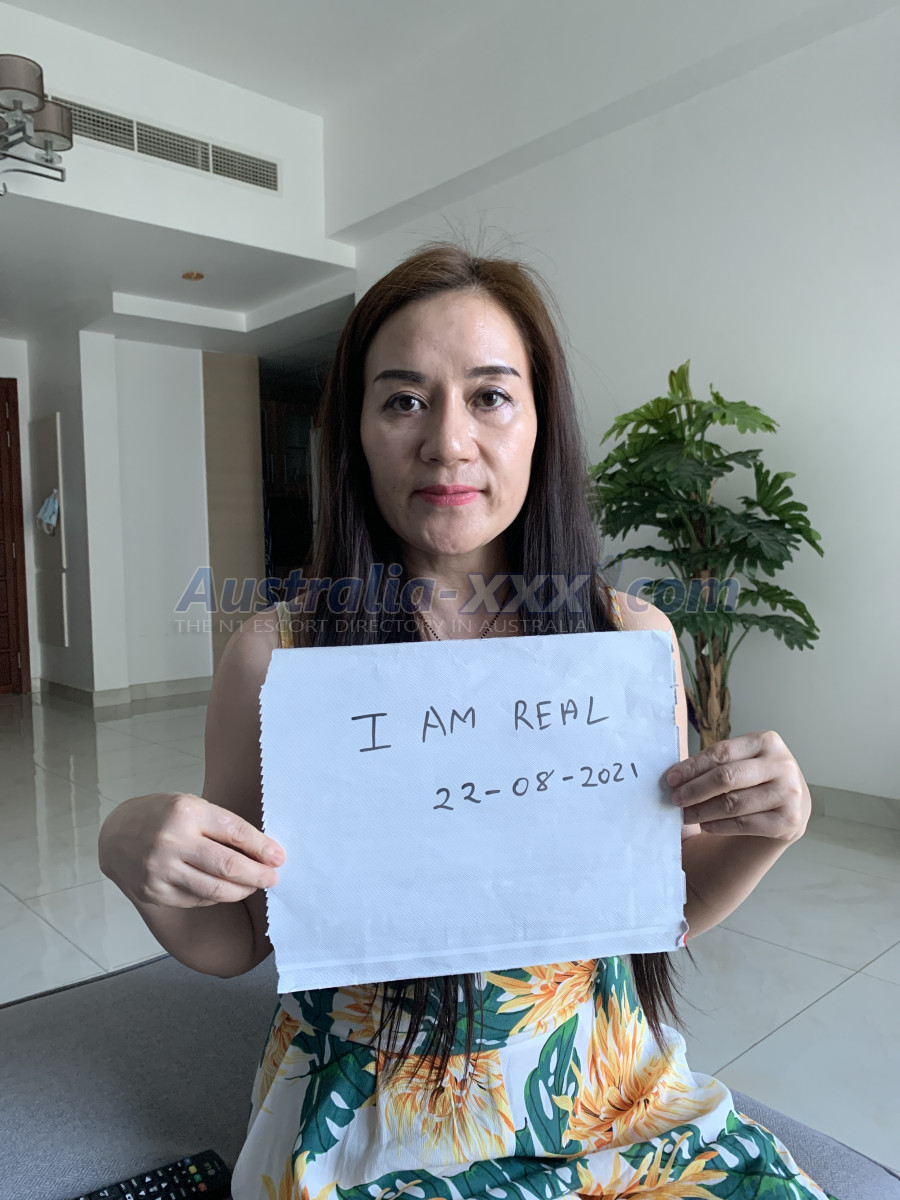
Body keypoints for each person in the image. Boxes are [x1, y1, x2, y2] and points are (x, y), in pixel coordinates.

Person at [99, 242, 835, 1200]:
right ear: (356, 432)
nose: (448, 442)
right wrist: (133, 851)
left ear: (540, 425)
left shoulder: (626, 642)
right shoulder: (280, 654)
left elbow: (656, 903)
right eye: (403, 400)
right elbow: (241, 934)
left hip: (607, 1092)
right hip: (368, 1116)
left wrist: (772, 829)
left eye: (490, 396)